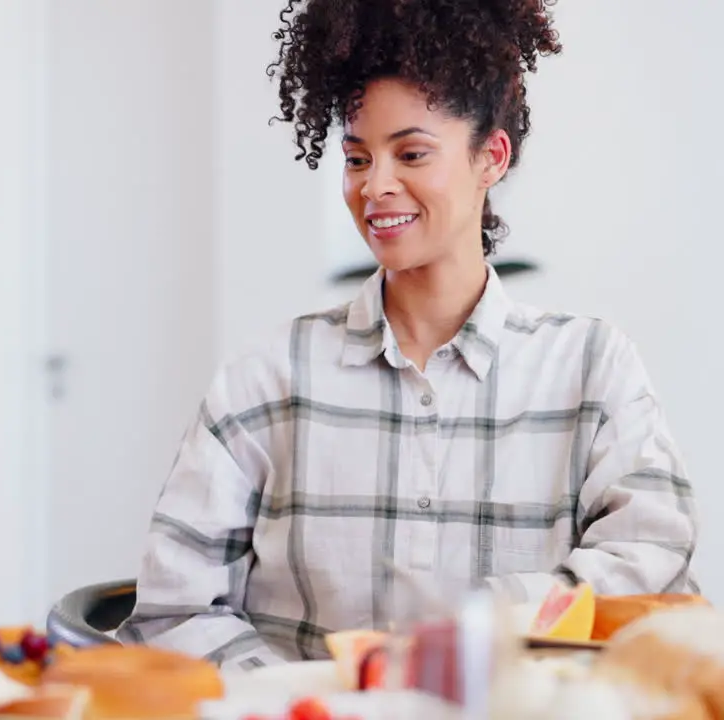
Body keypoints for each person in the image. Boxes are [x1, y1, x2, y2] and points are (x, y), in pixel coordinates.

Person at [117, 0, 698, 668]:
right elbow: (175, 608)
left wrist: (476, 624)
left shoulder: (593, 369)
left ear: (492, 157)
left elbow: (653, 565)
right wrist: (312, 705)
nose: (375, 187)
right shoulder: (268, 378)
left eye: (412, 153)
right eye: (358, 159)